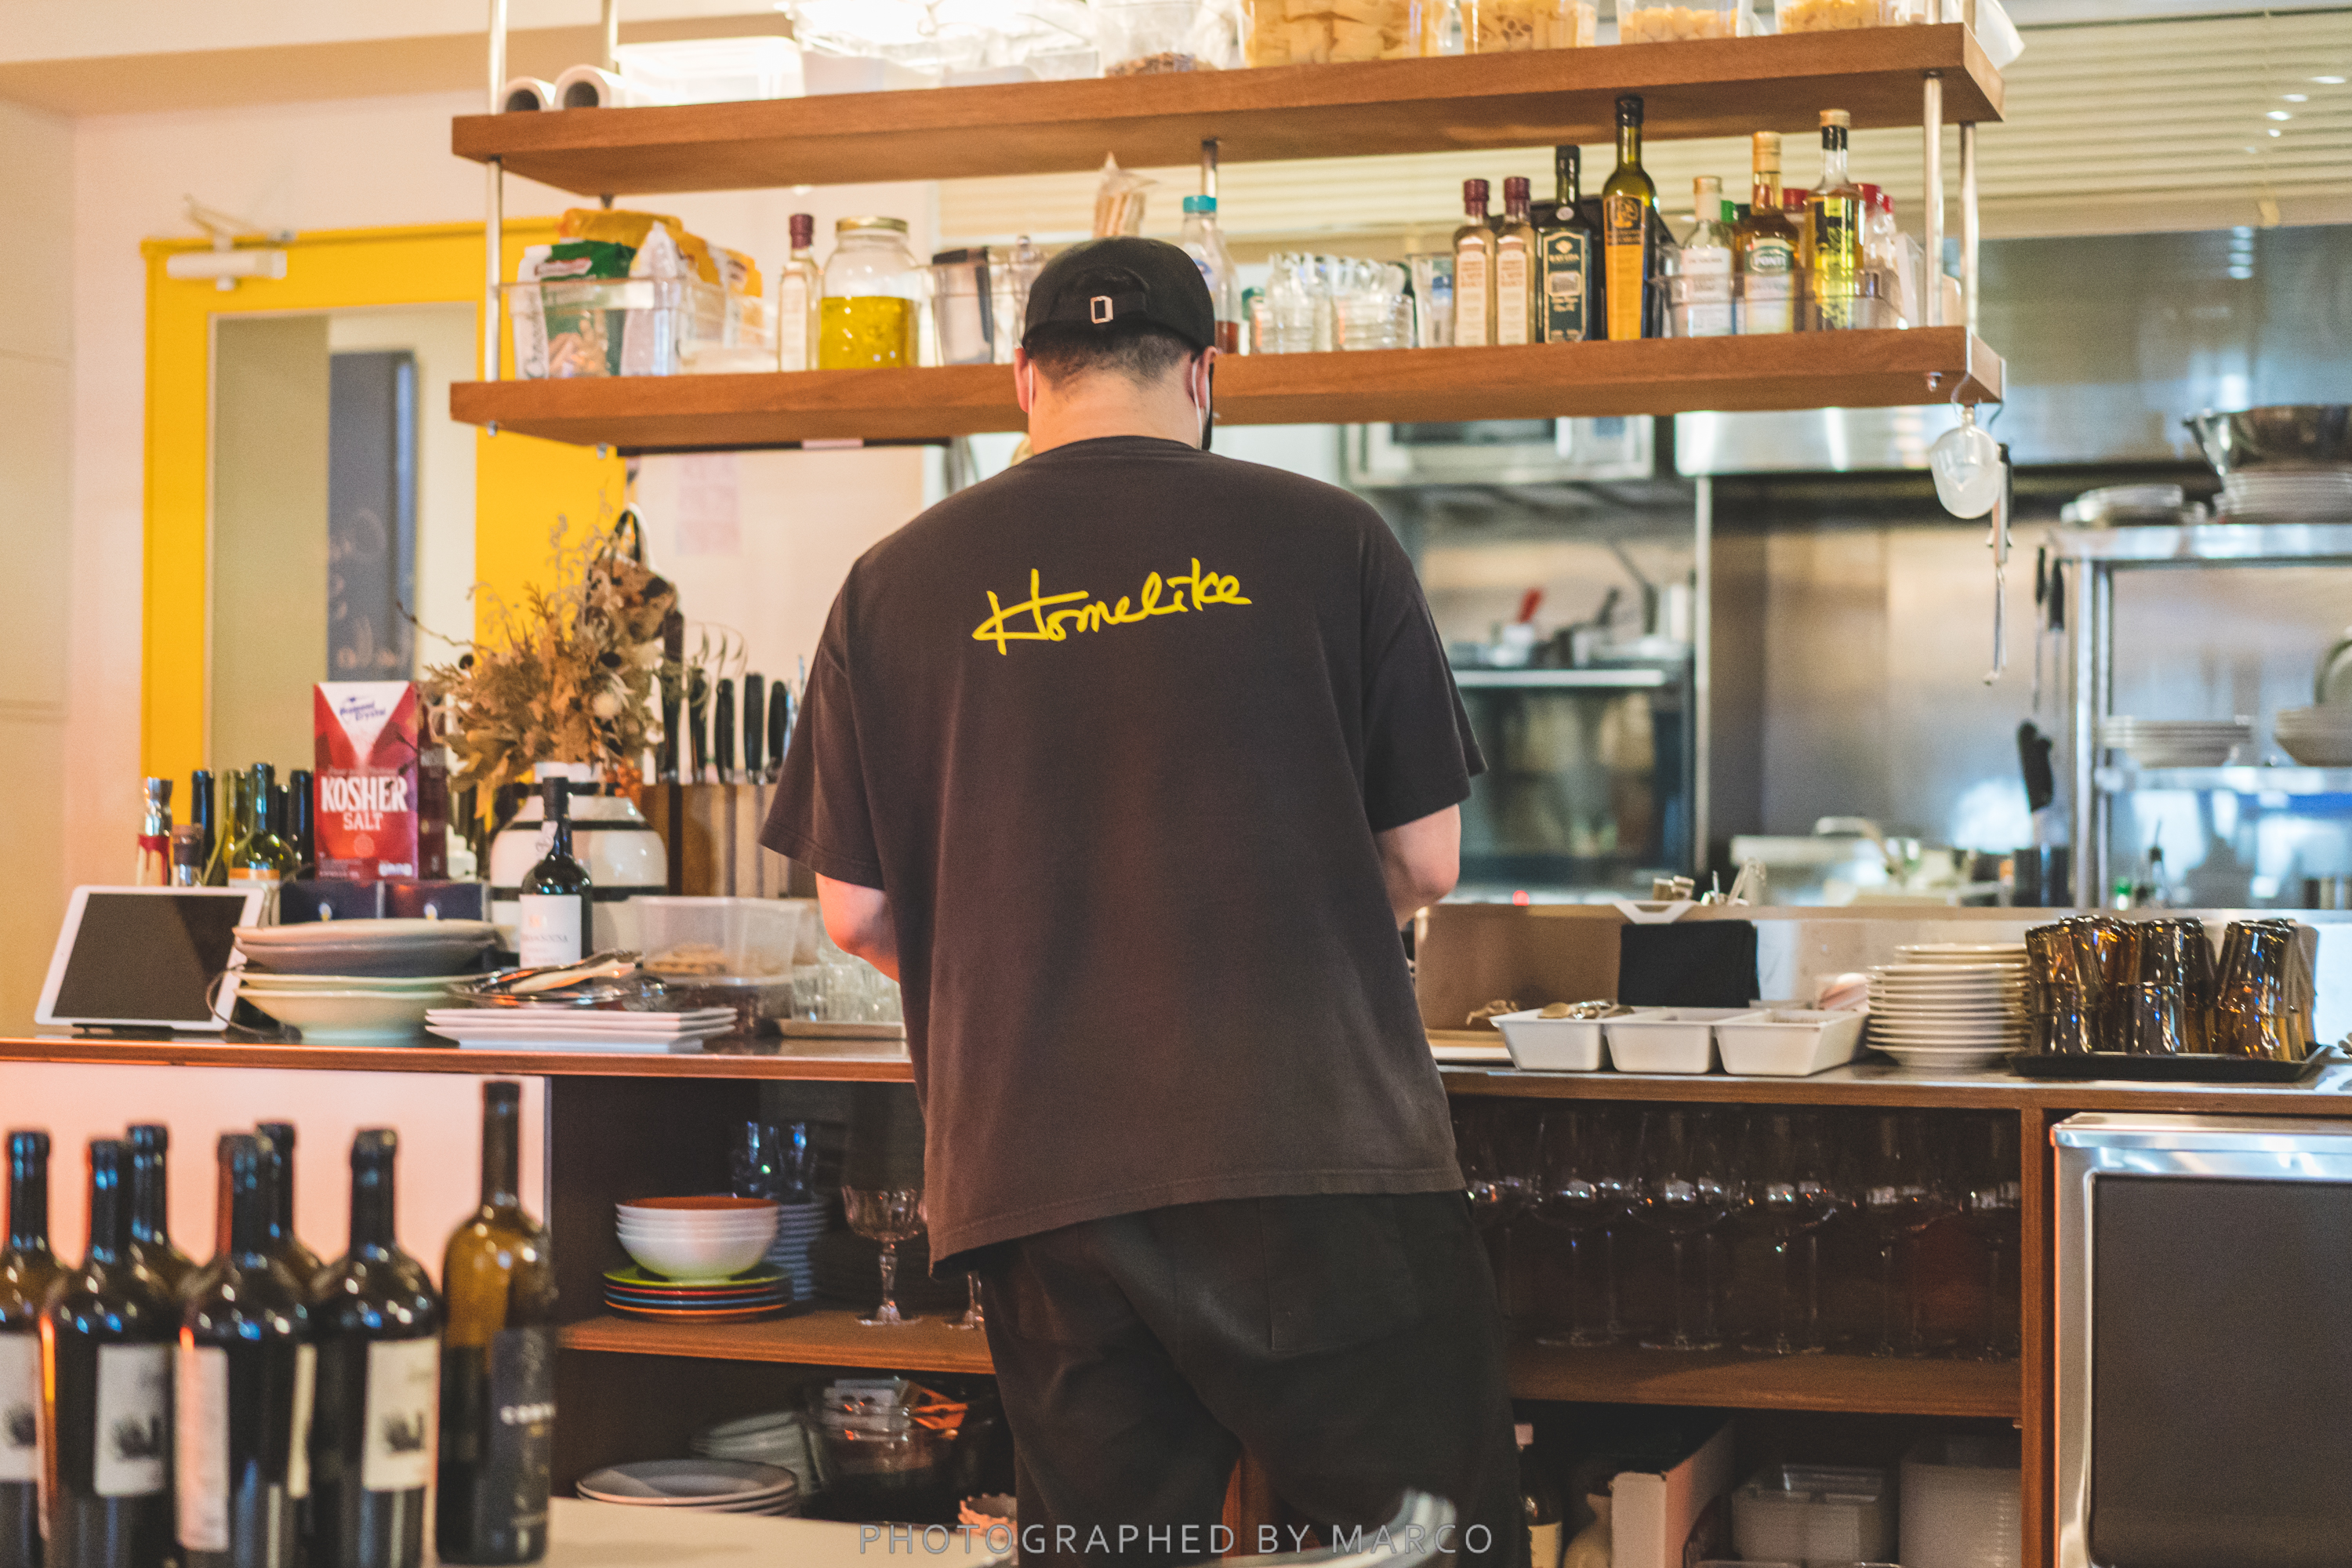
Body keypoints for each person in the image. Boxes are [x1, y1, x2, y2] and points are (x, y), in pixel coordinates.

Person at [763, 237, 1519, 1567]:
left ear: (1024, 380)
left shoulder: (892, 583)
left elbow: (856, 916)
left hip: (1038, 1172)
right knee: (1414, 1544)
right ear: (1205, 374)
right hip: (1313, 1148)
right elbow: (1424, 863)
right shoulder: (1333, 538)